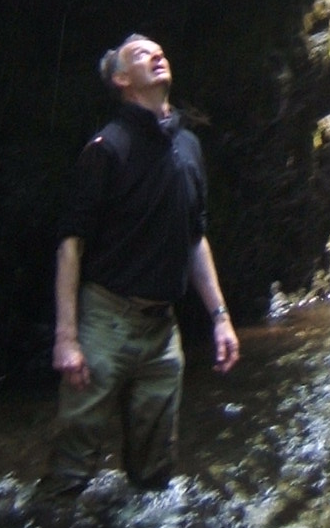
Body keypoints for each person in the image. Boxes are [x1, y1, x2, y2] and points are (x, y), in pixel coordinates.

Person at [42, 34, 238, 502]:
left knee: (155, 475)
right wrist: (67, 339)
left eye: (160, 50)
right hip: (106, 319)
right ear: (121, 79)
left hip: (162, 332)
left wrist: (221, 318)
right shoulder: (108, 147)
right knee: (74, 462)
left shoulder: (188, 145)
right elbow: (71, 244)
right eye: (140, 54)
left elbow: (194, 238)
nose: (157, 55)